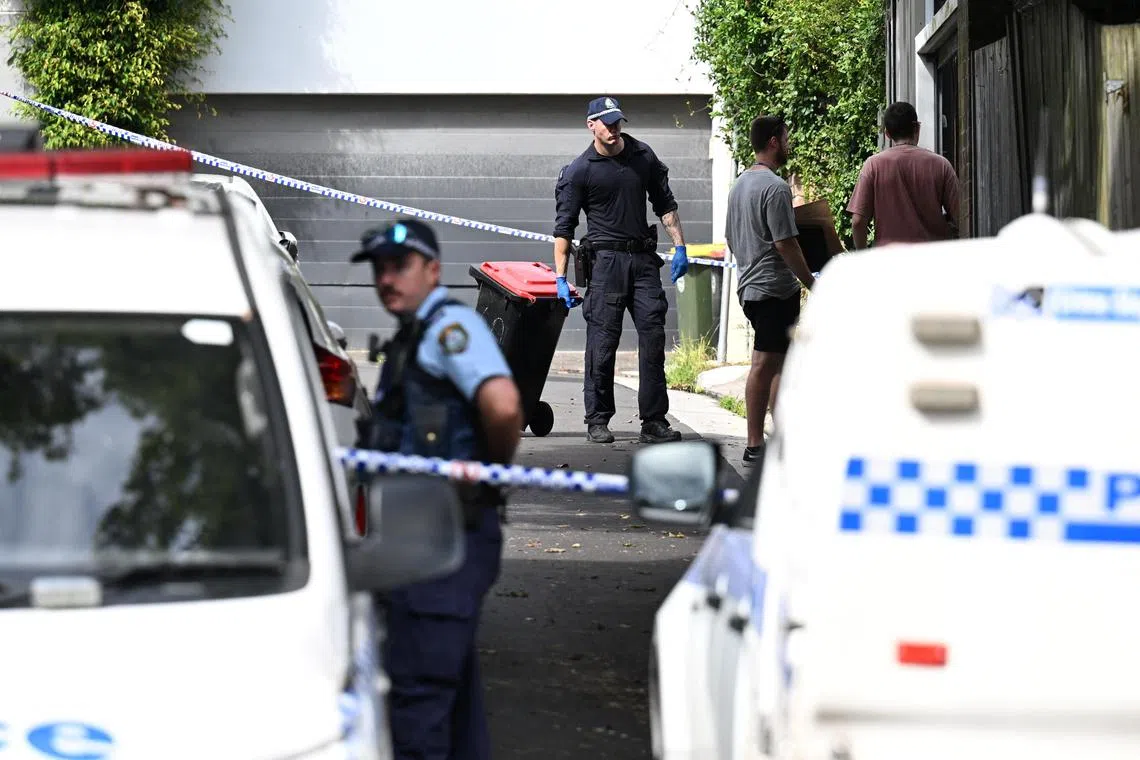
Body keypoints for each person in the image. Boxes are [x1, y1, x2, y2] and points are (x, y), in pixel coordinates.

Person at [350, 218, 523, 760]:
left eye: (399, 266)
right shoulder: (414, 336)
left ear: (433, 270)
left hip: (446, 543)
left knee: (419, 705)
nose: (387, 279)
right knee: (450, 699)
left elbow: (504, 407)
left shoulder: (450, 330)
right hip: (425, 542)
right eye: (380, 268)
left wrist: (484, 481)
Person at [551, 95, 688, 445]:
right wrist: (560, 278)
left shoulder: (642, 157)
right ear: (591, 125)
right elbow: (564, 229)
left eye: (617, 122)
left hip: (642, 262)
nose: (613, 128)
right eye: (606, 123)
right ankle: (598, 418)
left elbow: (665, 204)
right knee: (602, 343)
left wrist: (680, 246)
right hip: (605, 265)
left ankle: (654, 420)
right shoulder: (580, 170)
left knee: (653, 338)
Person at [724, 115, 815, 465]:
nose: (789, 143)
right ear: (774, 141)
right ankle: (753, 444)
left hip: (749, 287)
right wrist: (810, 281)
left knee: (777, 364)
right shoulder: (775, 187)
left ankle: (780, 440)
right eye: (786, 137)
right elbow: (785, 244)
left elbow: (732, 239)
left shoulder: (739, 185)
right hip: (773, 290)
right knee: (764, 363)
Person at [846, 101, 961, 249]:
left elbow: (857, 222)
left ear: (887, 133)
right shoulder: (941, 165)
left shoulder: (873, 166)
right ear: (917, 127)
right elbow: (961, 216)